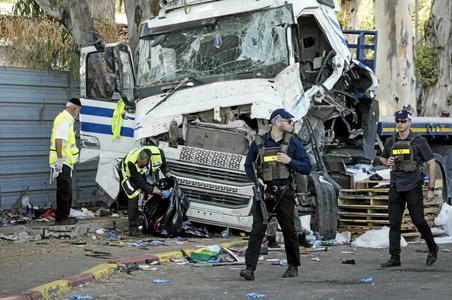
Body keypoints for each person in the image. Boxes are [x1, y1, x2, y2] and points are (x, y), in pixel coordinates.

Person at [240, 108, 312, 280]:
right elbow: (248, 165)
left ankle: (293, 266)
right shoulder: (259, 143)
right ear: (278, 122)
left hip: (284, 193)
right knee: (258, 230)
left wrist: (290, 161)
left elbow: (307, 167)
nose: (292, 124)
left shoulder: (293, 144)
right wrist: (256, 179)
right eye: (289, 121)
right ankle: (249, 268)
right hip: (265, 194)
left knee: (289, 231)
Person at [380, 109, 439, 267]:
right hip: (396, 184)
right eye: (397, 121)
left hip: (413, 185)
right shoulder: (390, 141)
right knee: (394, 222)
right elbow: (383, 157)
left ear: (409, 122)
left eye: (403, 121)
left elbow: (431, 164)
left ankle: (433, 247)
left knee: (418, 220)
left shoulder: (419, 141)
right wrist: (387, 162)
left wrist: (430, 188)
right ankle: (395, 257)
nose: (400, 124)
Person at [119, 146, 174, 237]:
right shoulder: (132, 162)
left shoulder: (159, 154)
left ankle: (145, 222)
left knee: (149, 191)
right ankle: (133, 229)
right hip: (126, 172)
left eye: (142, 164)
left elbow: (163, 166)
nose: (140, 165)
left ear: (150, 160)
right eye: (139, 163)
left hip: (142, 173)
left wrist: (169, 175)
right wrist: (161, 192)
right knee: (133, 195)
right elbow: (142, 185)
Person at [49, 98, 82, 226]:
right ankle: (62, 218)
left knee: (65, 190)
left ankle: (64, 216)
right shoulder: (64, 120)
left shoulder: (65, 119)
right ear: (75, 108)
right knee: (64, 190)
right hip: (62, 162)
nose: (78, 112)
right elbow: (59, 140)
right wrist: (59, 159)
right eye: (78, 110)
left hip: (64, 162)